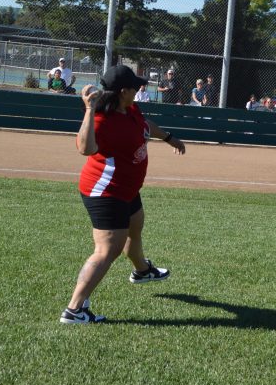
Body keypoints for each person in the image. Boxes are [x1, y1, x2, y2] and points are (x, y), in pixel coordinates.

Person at [60, 64, 186, 324]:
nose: (141, 86)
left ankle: (142, 271)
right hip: (106, 191)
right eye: (136, 85)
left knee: (135, 225)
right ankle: (74, 309)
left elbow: (145, 126)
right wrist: (89, 109)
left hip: (127, 188)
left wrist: (169, 137)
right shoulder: (101, 118)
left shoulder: (130, 108)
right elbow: (85, 149)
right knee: (107, 249)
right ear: (124, 91)